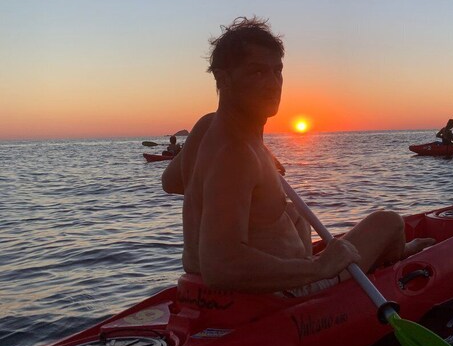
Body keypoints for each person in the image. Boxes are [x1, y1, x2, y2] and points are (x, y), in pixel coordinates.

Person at [161, 16, 433, 295]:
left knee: (290, 213)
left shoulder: (206, 127)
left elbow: (171, 181)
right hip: (276, 292)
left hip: (205, 287)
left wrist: (251, 176)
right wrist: (320, 267)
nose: (272, 83)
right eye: (257, 72)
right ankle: (395, 258)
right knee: (388, 222)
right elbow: (221, 267)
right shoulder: (237, 154)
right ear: (223, 78)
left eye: (277, 71)